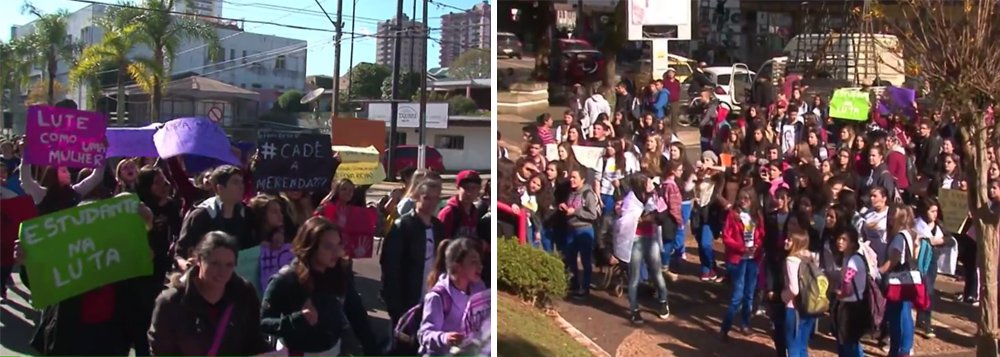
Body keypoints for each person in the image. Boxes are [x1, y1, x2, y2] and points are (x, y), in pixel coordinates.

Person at [260, 217, 379, 355]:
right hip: (297, 352)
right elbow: (264, 323)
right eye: (328, 247)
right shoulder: (286, 279)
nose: (336, 252)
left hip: (334, 350)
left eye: (338, 244)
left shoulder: (339, 273)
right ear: (310, 247)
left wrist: (372, 348)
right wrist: (296, 320)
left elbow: (356, 312)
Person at [148, 231, 272, 356]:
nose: (222, 272)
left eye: (229, 265)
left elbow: (254, 340)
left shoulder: (243, 294)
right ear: (199, 260)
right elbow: (160, 351)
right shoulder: (171, 303)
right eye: (215, 264)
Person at [381, 179, 445, 326]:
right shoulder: (403, 226)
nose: (432, 202)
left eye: (436, 198)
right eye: (427, 197)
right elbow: (390, 265)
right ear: (417, 197)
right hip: (407, 298)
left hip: (431, 298)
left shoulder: (438, 227)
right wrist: (393, 301)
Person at [175, 165, 256, 268]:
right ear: (220, 188)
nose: (241, 186)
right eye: (235, 182)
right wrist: (186, 264)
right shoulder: (201, 215)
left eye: (242, 182)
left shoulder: (246, 214)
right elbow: (180, 254)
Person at [418, 238, 487, 356]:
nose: (480, 266)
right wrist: (445, 338)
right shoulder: (438, 297)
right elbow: (424, 335)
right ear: (457, 266)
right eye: (473, 262)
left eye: (480, 262)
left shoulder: (479, 291)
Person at [616, 173, 670, 324]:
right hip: (635, 240)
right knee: (634, 277)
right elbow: (625, 222)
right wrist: (643, 219)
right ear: (641, 186)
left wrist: (651, 216)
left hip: (651, 238)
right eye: (648, 182)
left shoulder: (654, 197)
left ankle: (663, 301)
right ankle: (634, 310)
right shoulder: (630, 200)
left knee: (657, 272)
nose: (651, 184)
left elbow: (662, 214)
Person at [720, 188, 764, 341]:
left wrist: (757, 245)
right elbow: (726, 237)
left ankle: (745, 324)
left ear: (752, 201)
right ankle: (725, 327)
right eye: (741, 198)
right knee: (737, 295)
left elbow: (761, 234)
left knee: (749, 294)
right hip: (738, 259)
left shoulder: (757, 215)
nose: (743, 201)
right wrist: (741, 248)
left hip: (753, 259)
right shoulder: (733, 215)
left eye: (746, 198)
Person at [878, 204, 918, 357]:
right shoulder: (911, 234)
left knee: (898, 315)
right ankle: (903, 347)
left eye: (893, 214)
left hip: (897, 279)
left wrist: (878, 271)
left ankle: (900, 349)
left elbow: (893, 260)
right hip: (906, 279)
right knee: (904, 312)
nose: (889, 217)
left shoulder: (899, 237)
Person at [562, 166, 601, 298]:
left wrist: (576, 212)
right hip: (570, 229)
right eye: (571, 177)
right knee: (570, 259)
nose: (571, 180)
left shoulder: (587, 194)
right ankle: (574, 285)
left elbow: (593, 215)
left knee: (585, 261)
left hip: (584, 230)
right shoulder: (571, 192)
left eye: (574, 177)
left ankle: (585, 288)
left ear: (582, 179)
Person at [832, 229, 868, 357]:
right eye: (839, 239)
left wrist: (841, 293)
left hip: (851, 307)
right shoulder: (848, 258)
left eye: (844, 240)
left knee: (848, 341)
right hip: (853, 303)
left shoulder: (853, 261)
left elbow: (847, 281)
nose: (840, 242)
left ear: (852, 243)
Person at [782, 225, 817, 357]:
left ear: (797, 243)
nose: (786, 241)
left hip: (794, 307)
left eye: (789, 240)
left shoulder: (791, 260)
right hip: (810, 306)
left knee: (792, 345)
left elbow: (794, 289)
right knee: (803, 344)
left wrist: (783, 296)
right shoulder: (810, 257)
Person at [438, 170, 483, 240]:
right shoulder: (449, 213)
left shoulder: (475, 212)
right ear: (458, 188)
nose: (469, 193)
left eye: (473, 188)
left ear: (479, 190)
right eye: (466, 188)